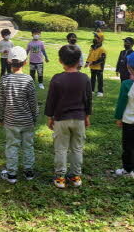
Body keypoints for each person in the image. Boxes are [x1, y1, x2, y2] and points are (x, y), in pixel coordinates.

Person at [45, 45, 92, 189]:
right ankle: (75, 176)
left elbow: (51, 100)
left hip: (61, 119)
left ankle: (60, 177)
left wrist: (50, 117)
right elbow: (88, 99)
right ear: (79, 60)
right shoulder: (84, 78)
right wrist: (87, 116)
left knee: (61, 148)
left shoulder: (57, 79)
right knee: (77, 148)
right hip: (79, 118)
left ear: (60, 60)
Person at [0, 46, 38, 184]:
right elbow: (33, 102)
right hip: (27, 121)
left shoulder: (4, 79)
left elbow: (1, 101)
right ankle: (29, 172)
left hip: (10, 121)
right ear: (25, 62)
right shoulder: (28, 80)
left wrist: (1, 117)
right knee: (28, 146)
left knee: (12, 146)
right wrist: (35, 117)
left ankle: (12, 174)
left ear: (9, 62)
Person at [85, 32, 106, 97]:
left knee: (100, 79)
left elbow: (101, 60)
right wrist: (87, 62)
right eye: (94, 37)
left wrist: (93, 62)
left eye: (96, 37)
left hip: (99, 67)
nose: (94, 38)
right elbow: (90, 55)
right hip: (92, 67)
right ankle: (92, 90)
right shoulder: (92, 47)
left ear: (100, 39)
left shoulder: (102, 49)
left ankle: (100, 91)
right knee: (92, 79)